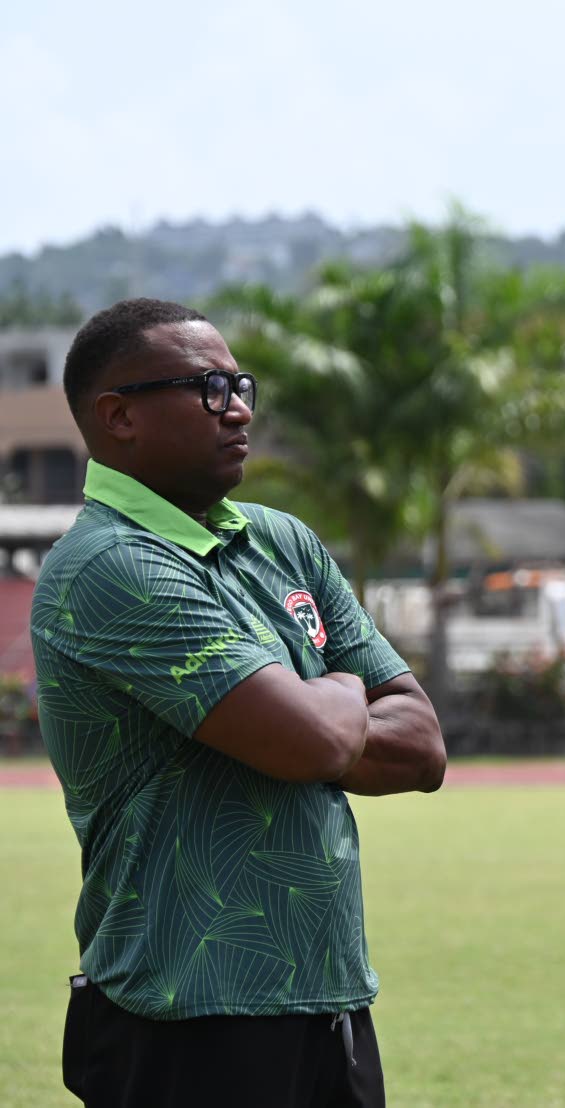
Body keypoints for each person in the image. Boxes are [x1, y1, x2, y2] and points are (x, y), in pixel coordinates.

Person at [31, 298, 446, 1108]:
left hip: (328, 996)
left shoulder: (281, 541)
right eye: (209, 388)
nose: (241, 408)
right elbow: (310, 748)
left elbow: (423, 746)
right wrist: (332, 690)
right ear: (119, 417)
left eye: (240, 384)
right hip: (187, 1013)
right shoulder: (111, 567)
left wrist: (316, 706)